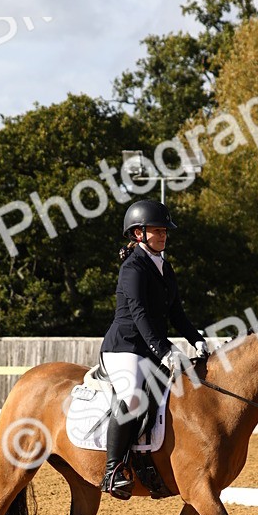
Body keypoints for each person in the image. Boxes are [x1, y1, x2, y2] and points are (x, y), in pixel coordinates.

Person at [99, 199, 208, 499]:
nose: (163, 235)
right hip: (125, 348)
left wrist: (196, 338)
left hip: (152, 347)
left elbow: (176, 314)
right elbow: (139, 314)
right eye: (157, 230)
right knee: (133, 397)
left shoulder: (165, 267)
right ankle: (112, 470)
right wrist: (164, 350)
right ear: (138, 234)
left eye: (164, 231)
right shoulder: (132, 268)